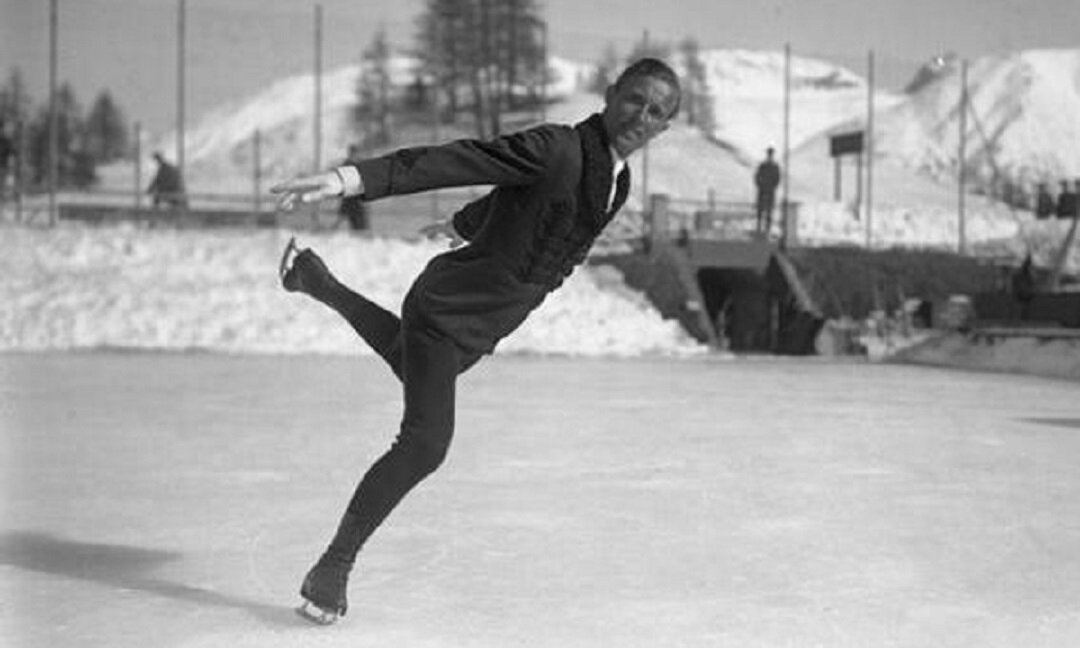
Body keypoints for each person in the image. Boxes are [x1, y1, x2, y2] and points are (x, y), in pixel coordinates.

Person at [271, 57, 681, 625]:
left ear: (664, 128)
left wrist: (461, 225)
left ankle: (316, 281)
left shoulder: (617, 181)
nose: (642, 114)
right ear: (610, 94)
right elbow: (463, 159)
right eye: (635, 98)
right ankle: (331, 569)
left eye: (657, 111)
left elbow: (518, 202)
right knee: (425, 443)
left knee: (405, 360)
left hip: (484, 323)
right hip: (447, 307)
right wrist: (352, 177)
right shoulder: (559, 146)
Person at [337, 145, 369, 231]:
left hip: (356, 197)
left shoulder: (358, 163)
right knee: (344, 219)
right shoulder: (348, 164)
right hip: (351, 197)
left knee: (359, 224)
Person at [753, 147, 781, 236]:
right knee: (760, 211)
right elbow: (757, 177)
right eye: (769, 154)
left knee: (769, 211)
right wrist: (761, 185)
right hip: (762, 191)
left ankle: (767, 229)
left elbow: (777, 179)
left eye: (771, 154)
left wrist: (771, 187)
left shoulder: (775, 166)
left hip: (770, 191)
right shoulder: (762, 165)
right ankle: (759, 228)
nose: (770, 156)